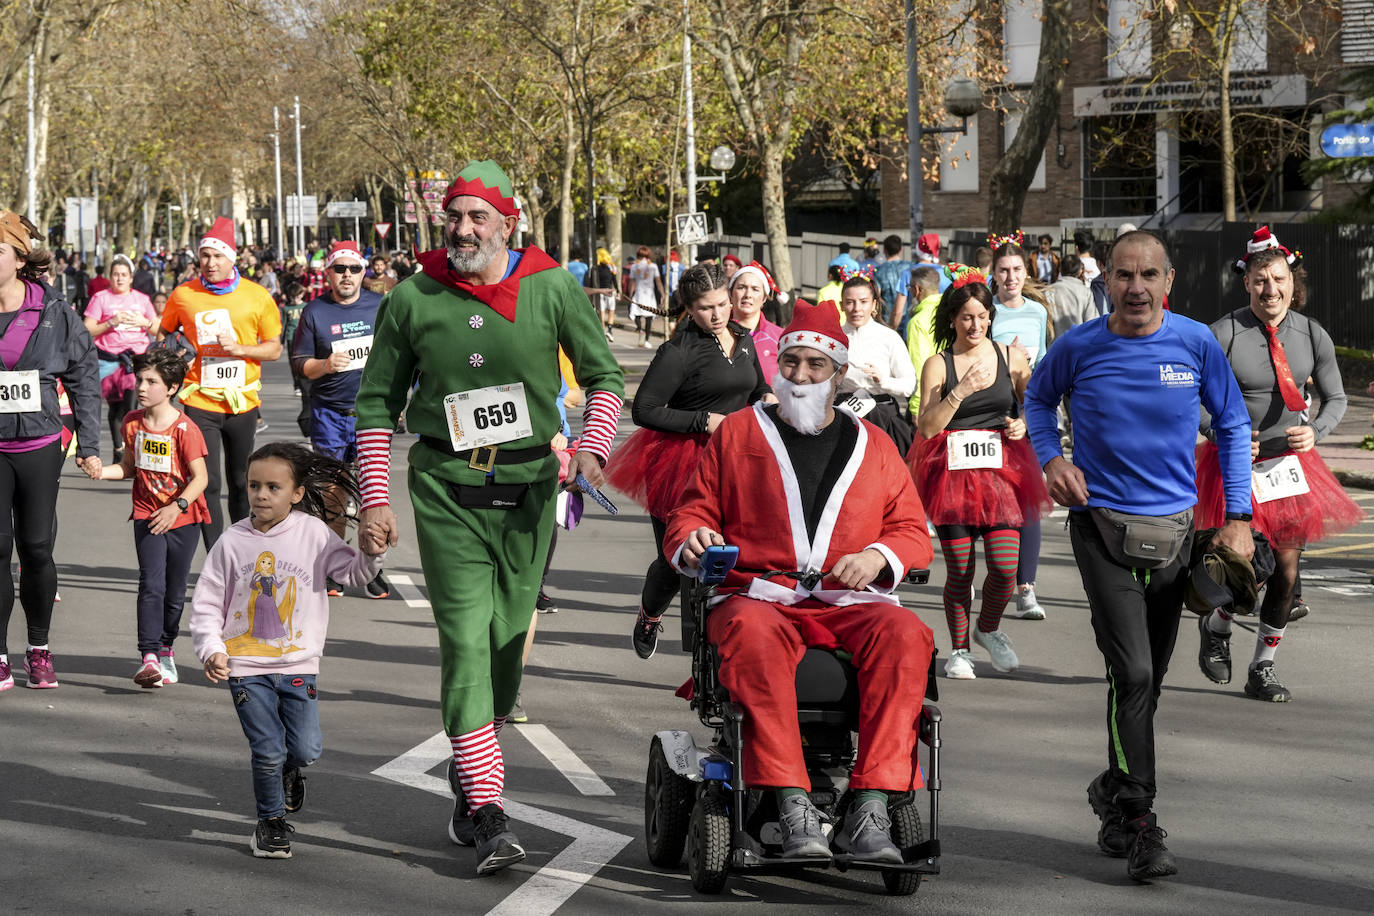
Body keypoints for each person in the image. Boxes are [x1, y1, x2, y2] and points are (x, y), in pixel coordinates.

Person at [352, 160, 624, 875]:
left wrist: (593, 451)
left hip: (531, 490)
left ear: (509, 223)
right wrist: (374, 499)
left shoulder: (551, 285)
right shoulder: (413, 295)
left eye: (479, 216)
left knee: (506, 652)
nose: (464, 228)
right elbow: (376, 403)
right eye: (455, 215)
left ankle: (469, 763)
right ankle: (488, 807)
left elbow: (603, 376)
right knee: (467, 646)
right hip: (446, 489)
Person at [667, 301, 935, 863]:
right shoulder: (738, 433)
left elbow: (912, 531)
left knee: (908, 633)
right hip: (760, 595)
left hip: (848, 599)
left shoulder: (876, 445)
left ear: (839, 374)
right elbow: (691, 513)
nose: (802, 376)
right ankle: (792, 804)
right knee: (752, 635)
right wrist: (693, 537)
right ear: (777, 367)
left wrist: (878, 555)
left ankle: (869, 806)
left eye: (816, 366)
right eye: (791, 363)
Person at [1024, 229, 1254, 882]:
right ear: (1108, 284)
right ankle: (1143, 825)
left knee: (1141, 682)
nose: (1135, 288)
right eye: (1123, 276)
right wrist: (1052, 458)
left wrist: (1237, 518)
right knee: (1136, 675)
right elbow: (1038, 400)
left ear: (1168, 281)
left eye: (1148, 275)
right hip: (1101, 532)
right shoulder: (1080, 345)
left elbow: (1233, 424)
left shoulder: (1195, 343)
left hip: (1176, 535)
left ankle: (1115, 799)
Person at [191, 443, 385, 859]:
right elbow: (207, 602)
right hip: (245, 667)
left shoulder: (313, 533)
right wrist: (211, 649)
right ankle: (271, 822)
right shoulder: (230, 542)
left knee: (305, 750)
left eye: (273, 487)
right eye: (254, 485)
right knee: (267, 750)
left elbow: (351, 573)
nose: (261, 494)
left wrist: (372, 552)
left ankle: (291, 771)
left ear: (296, 493)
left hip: (299, 664)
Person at [1193, 228, 1363, 702]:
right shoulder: (1222, 333)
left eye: (1279, 279)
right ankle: (1218, 623)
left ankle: (1262, 667)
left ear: (1293, 280)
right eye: (1260, 280)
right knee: (1248, 563)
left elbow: (1336, 397)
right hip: (1233, 463)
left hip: (1289, 467)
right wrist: (1219, 433)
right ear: (1245, 282)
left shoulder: (1311, 333)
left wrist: (1317, 431)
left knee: (1286, 571)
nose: (1271, 290)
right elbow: (1191, 398)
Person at [605, 263, 771, 660]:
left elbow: (758, 389)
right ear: (689, 310)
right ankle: (650, 614)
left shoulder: (744, 340)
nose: (716, 314)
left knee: (738, 551)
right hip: (680, 462)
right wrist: (704, 420)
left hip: (736, 459)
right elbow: (644, 410)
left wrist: (769, 402)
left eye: (721, 304)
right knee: (676, 557)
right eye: (704, 308)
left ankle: (726, 641)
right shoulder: (677, 351)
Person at [910, 269, 1047, 679]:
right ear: (953, 318)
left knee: (1006, 568)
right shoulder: (940, 363)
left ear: (991, 317)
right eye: (967, 317)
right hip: (952, 473)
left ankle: (988, 627)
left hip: (1002, 471)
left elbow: (1035, 407)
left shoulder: (1011, 357)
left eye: (983, 316)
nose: (976, 325)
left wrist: (1024, 425)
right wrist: (961, 390)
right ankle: (960, 649)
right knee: (961, 569)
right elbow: (928, 427)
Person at [0, 211, 101, 692]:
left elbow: (84, 373)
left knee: (36, 548)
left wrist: (90, 443)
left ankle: (38, 647)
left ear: (20, 260)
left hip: (39, 443)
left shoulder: (53, 309)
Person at [159, 217, 283, 548]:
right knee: (208, 483)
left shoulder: (256, 296)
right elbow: (163, 334)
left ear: (233, 258)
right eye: (205, 256)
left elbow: (274, 348)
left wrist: (240, 349)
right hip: (200, 401)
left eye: (218, 256)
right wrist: (172, 358)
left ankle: (242, 551)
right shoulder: (184, 294)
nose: (211, 263)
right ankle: (217, 555)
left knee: (243, 481)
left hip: (242, 403)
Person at [97, 349, 211, 687]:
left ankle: (165, 649)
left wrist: (176, 506)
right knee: (151, 584)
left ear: (172, 387)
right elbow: (129, 468)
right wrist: (100, 471)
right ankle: (147, 657)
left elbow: (201, 478)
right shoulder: (132, 422)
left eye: (152, 382)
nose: (142, 387)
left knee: (175, 592)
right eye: (140, 380)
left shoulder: (185, 429)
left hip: (183, 516)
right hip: (147, 513)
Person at [291, 240, 390, 600]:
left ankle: (372, 568)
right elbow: (300, 363)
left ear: (364, 273)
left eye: (354, 269)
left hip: (371, 414)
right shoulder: (315, 312)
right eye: (340, 269)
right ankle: (334, 568)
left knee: (372, 495)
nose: (347, 275)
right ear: (328, 273)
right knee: (332, 496)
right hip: (329, 414)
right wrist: (325, 365)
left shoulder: (380, 307)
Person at [987, 239, 1053, 621]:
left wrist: (1031, 415)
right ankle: (985, 578)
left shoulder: (1037, 313)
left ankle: (1026, 587)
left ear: (1026, 273)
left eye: (1016, 270)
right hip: (985, 411)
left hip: (1025, 411)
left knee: (1028, 500)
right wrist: (1004, 355)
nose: (1010, 277)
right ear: (993, 274)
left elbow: (1043, 365)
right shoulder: (983, 309)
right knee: (987, 502)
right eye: (1003, 270)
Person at [83, 254, 158, 463]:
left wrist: (144, 322)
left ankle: (132, 452)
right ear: (110, 277)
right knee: (116, 409)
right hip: (109, 360)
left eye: (124, 275)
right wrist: (110, 323)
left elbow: (160, 328)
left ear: (131, 278)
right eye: (116, 274)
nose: (120, 279)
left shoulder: (141, 299)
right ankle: (118, 450)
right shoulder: (101, 298)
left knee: (131, 407)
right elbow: (87, 329)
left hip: (136, 360)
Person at [835, 273, 915, 455]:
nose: (856, 308)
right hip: (844, 417)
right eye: (850, 302)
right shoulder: (833, 339)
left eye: (863, 302)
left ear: (874, 305)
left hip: (883, 416)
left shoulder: (889, 337)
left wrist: (884, 380)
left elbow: (909, 385)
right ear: (842, 306)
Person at [728, 260, 783, 383]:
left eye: (755, 289)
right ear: (731, 293)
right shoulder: (717, 334)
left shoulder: (780, 337)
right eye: (741, 287)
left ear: (764, 297)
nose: (748, 294)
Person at [903, 266, 943, 416]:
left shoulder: (917, 322)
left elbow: (919, 367)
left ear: (917, 289)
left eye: (910, 288)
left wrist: (916, 407)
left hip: (929, 402)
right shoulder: (954, 312)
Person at [629, 246, 663, 348]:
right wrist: (662, 294)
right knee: (649, 317)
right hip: (650, 294)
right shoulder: (653, 266)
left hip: (639, 293)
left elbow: (631, 282)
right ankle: (647, 340)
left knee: (636, 314)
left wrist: (630, 295)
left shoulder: (635, 266)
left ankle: (640, 329)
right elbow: (658, 281)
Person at [583, 247, 619, 343]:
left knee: (601, 312)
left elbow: (591, 283)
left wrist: (591, 295)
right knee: (611, 311)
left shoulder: (594, 268)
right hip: (610, 291)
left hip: (599, 293)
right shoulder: (612, 267)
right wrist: (618, 291)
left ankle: (602, 331)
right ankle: (610, 330)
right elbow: (614, 280)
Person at [874, 234, 911, 326]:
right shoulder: (911, 267)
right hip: (908, 318)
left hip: (886, 319)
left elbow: (877, 296)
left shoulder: (878, 271)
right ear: (901, 249)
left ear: (884, 250)